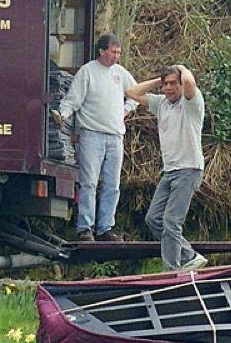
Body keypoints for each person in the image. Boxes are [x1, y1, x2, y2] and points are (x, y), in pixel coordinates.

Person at [56, 34, 138, 242]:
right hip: (91, 135)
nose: (116, 56)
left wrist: (125, 110)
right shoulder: (88, 72)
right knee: (89, 183)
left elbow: (135, 94)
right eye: (113, 52)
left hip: (115, 136)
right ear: (101, 51)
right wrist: (63, 114)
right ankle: (85, 227)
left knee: (112, 185)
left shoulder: (121, 73)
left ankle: (105, 228)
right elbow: (73, 99)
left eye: (118, 53)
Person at [126, 65, 207, 271]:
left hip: (189, 169)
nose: (169, 88)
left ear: (181, 85)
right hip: (169, 171)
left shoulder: (191, 103)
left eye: (173, 83)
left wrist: (183, 68)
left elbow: (190, 83)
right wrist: (158, 81)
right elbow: (132, 92)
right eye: (166, 84)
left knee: (171, 222)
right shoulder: (161, 103)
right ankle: (189, 255)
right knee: (153, 219)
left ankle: (171, 269)